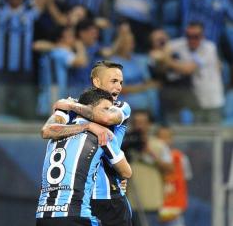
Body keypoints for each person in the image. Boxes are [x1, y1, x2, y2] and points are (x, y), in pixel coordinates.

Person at [43, 60, 133, 226]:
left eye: (121, 82)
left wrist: (72, 105)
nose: (119, 87)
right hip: (79, 199)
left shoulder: (121, 107)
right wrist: (87, 126)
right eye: (114, 81)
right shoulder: (73, 106)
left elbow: (105, 117)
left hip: (110, 199)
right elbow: (47, 130)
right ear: (96, 82)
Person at [126, 110, 174, 226]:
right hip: (129, 203)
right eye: (136, 122)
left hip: (151, 204)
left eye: (143, 123)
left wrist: (150, 153)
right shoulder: (125, 144)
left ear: (150, 125)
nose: (139, 126)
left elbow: (170, 168)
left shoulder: (159, 145)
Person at [156, 126, 192, 226]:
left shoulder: (181, 158)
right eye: (160, 137)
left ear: (171, 139)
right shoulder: (148, 158)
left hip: (174, 209)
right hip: (153, 208)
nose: (163, 141)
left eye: (166, 137)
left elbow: (186, 179)